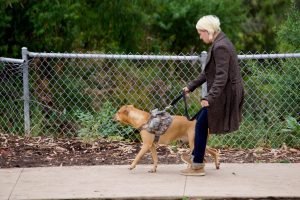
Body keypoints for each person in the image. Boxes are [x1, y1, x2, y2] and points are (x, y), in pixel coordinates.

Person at [180, 15, 244, 176]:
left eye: (200, 33)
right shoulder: (219, 43)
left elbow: (222, 77)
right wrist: (191, 86)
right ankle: (196, 159)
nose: (199, 36)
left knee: (200, 124)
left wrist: (209, 98)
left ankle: (197, 163)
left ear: (208, 31)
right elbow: (209, 73)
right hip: (223, 92)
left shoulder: (220, 47)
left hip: (225, 94)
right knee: (200, 124)